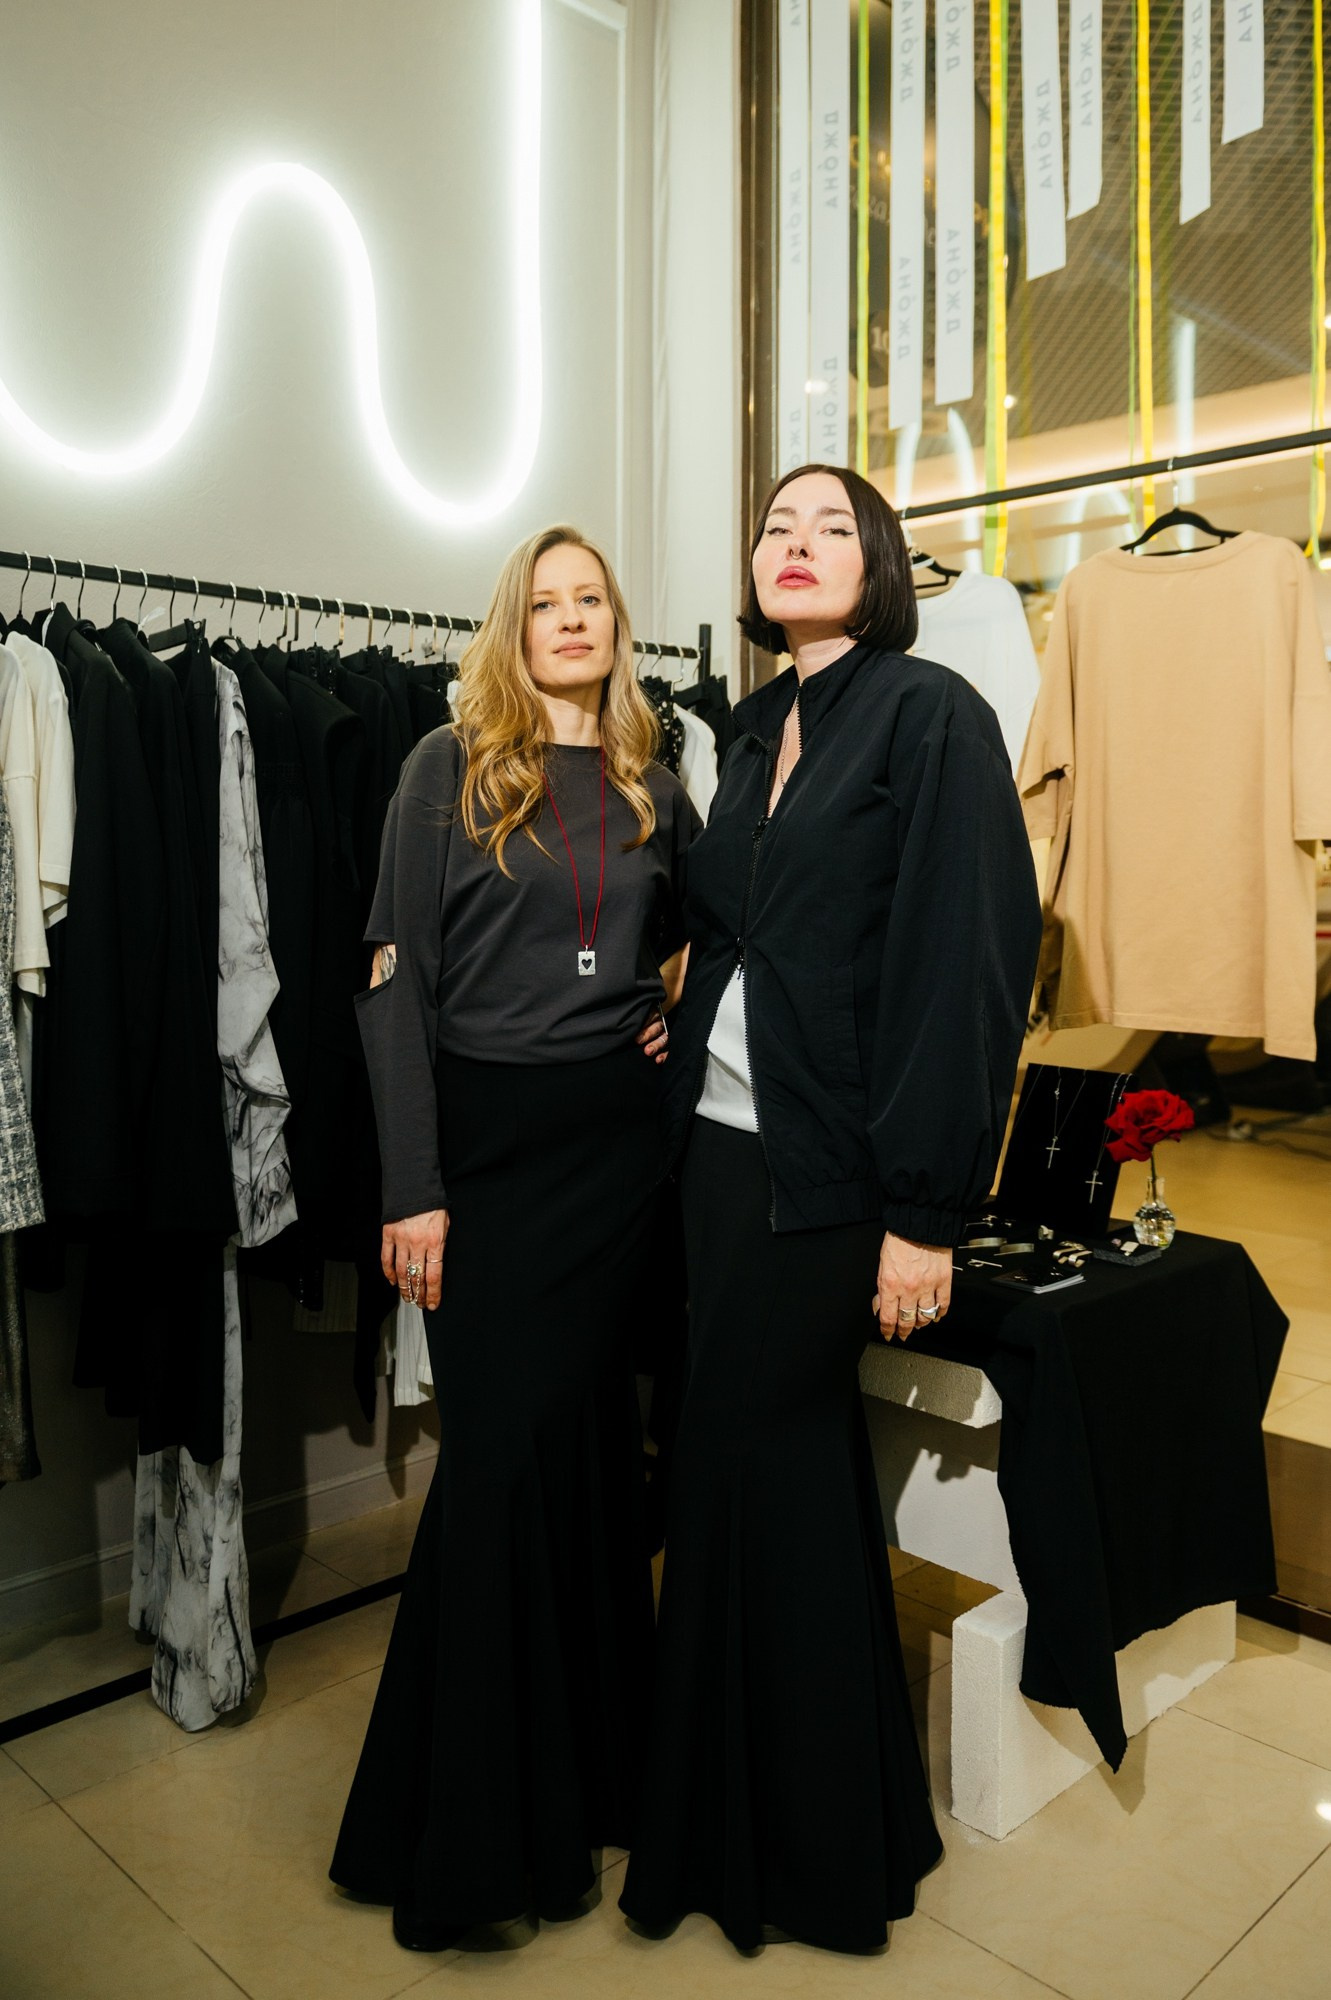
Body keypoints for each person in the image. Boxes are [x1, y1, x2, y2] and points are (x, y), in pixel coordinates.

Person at [620, 464, 1043, 1954]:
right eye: (775, 527)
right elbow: (738, 928)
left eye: (830, 528)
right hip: (719, 1159)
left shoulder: (932, 718)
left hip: (835, 1177)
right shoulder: (749, 731)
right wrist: (685, 1016)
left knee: (771, 1464)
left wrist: (923, 1212)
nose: (796, 545)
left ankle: (806, 1850)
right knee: (738, 1473)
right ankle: (755, 1817)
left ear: (879, 565)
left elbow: (965, 965)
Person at [330, 525, 700, 1951]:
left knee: (594, 1462)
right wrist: (411, 1187)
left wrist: (669, 1012)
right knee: (494, 1473)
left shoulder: (657, 779)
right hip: (484, 1160)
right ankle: (468, 1837)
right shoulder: (449, 768)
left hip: (617, 1155)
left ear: (617, 623)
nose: (570, 620)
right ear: (514, 626)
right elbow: (392, 988)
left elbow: (714, 930)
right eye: (545, 603)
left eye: (591, 598)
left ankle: (592, 1782)